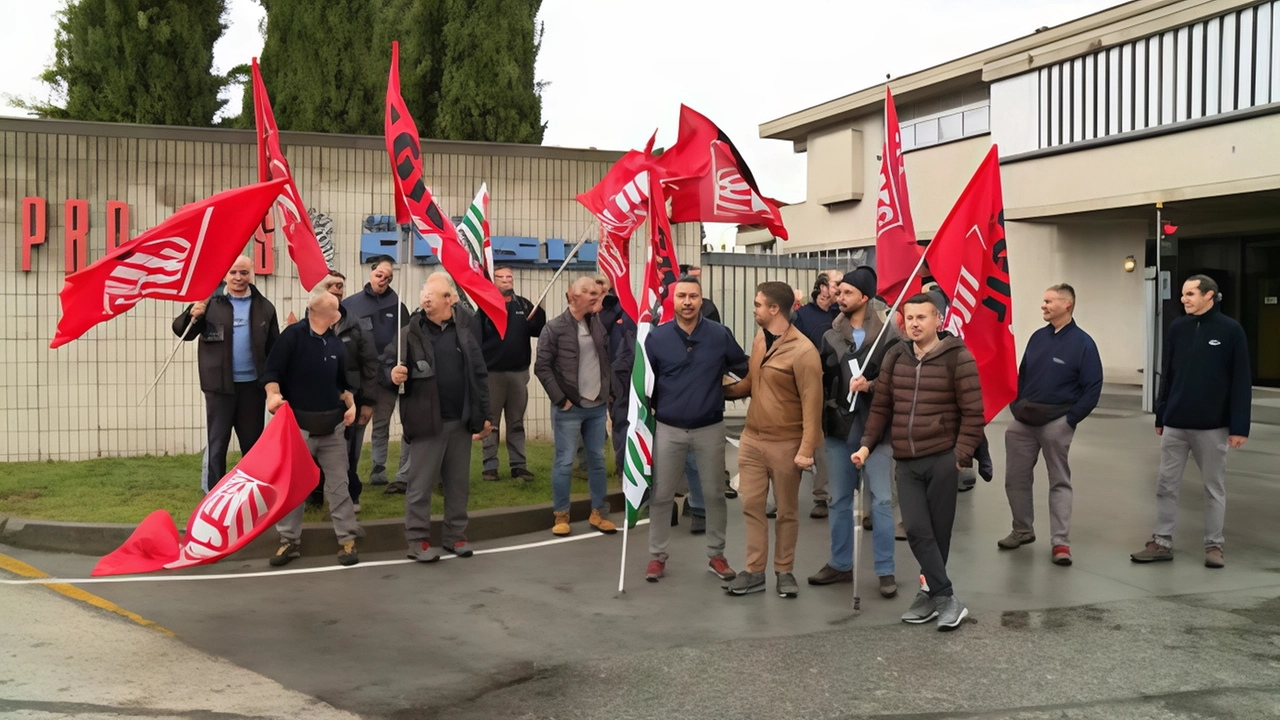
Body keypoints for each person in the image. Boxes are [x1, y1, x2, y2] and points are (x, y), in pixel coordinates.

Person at [853, 293, 984, 630]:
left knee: (938, 536)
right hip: (907, 461)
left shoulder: (959, 357)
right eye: (908, 318)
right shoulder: (895, 355)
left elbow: (973, 414)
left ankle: (928, 594)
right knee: (915, 529)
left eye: (921, 317)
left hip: (943, 458)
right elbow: (881, 407)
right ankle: (947, 598)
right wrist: (866, 446)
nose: (913, 323)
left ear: (938, 320)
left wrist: (960, 457)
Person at [1131, 274, 1251, 569]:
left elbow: (1241, 381)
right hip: (1175, 424)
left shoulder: (1231, 331)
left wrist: (1239, 427)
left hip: (1212, 426)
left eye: (1190, 294)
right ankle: (1161, 541)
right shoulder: (1177, 328)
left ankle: (1214, 546)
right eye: (1183, 294)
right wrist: (1162, 414)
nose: (1184, 299)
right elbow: (1168, 373)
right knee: (1165, 485)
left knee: (1213, 487)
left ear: (1210, 296)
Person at [644, 275, 750, 583]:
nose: (687, 302)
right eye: (682, 296)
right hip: (668, 428)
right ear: (673, 301)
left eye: (693, 296)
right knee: (662, 494)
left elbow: (744, 370)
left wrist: (731, 392)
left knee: (715, 494)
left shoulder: (719, 335)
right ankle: (657, 557)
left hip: (709, 427)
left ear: (701, 300)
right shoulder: (657, 338)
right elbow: (644, 382)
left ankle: (716, 554)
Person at [722, 281, 823, 598]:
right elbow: (752, 383)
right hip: (751, 439)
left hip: (786, 444)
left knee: (786, 512)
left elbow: (812, 404)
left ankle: (784, 571)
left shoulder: (804, 351)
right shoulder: (759, 341)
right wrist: (719, 388)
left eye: (757, 304)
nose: (754, 309)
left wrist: (806, 450)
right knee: (751, 505)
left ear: (774, 309)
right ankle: (754, 572)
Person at [388, 273, 493, 562]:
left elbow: (479, 376)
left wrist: (484, 416)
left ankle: (455, 537)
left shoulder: (464, 331)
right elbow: (386, 365)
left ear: (450, 299)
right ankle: (418, 541)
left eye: (432, 295)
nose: (425, 298)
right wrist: (391, 374)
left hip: (460, 423)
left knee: (458, 485)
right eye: (424, 294)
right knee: (420, 486)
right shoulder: (409, 333)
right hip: (426, 423)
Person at [998, 284, 1103, 566]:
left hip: (1057, 422)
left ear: (1067, 304)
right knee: (1015, 479)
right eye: (1043, 301)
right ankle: (1022, 530)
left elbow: (1093, 387)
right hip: (1023, 422)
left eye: (1048, 301)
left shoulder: (1083, 344)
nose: (1043, 305)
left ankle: (1061, 544)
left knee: (1059, 482)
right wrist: (1016, 406)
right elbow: (1022, 375)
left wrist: (1069, 421)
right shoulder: (1037, 338)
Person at [809, 267, 899, 598]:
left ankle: (886, 570)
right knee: (839, 499)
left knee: (882, 501)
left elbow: (898, 382)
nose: (839, 297)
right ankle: (840, 563)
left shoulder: (891, 337)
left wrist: (872, 385)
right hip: (839, 429)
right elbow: (821, 381)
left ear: (864, 297)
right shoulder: (830, 335)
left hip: (877, 430)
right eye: (838, 291)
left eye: (846, 292)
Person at [265, 292, 360, 567]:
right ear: (327, 315)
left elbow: (344, 386)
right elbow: (272, 373)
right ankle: (289, 541)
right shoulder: (291, 337)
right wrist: (273, 395)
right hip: (298, 428)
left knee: (339, 485)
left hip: (332, 428)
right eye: (337, 311)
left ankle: (347, 540)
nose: (340, 315)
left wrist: (351, 403)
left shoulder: (336, 344)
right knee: (294, 487)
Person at [173, 256, 279, 492]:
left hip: (252, 387)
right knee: (217, 444)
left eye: (243, 273)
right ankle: (213, 494)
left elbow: (274, 349)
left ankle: (252, 493)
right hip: (218, 388)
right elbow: (183, 332)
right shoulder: (210, 303)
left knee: (252, 445)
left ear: (251, 274)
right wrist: (191, 313)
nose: (238, 278)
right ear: (225, 275)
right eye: (233, 273)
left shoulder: (265, 307)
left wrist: (273, 384)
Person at [534, 277, 618, 536]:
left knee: (597, 460)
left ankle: (598, 513)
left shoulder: (598, 325)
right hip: (568, 408)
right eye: (588, 292)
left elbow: (605, 361)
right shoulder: (554, 328)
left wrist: (607, 394)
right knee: (564, 461)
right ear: (572, 296)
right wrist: (561, 399)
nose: (595, 296)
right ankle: (561, 515)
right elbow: (542, 367)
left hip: (596, 406)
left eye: (597, 292)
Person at [296, 274, 379, 513]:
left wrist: (368, 402)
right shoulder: (305, 326)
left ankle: (351, 496)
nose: (337, 291)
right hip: (315, 402)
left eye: (341, 286)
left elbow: (370, 365)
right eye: (331, 286)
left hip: (350, 401)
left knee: (348, 452)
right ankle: (315, 495)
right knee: (314, 449)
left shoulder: (356, 325)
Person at [341, 256, 410, 491]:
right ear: (370, 273)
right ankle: (349, 472)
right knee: (357, 425)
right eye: (379, 275)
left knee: (382, 422)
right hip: (360, 377)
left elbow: (402, 339)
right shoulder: (351, 304)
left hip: (388, 375)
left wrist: (386, 366)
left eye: (388, 278)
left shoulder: (398, 305)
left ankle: (379, 468)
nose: (383, 281)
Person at [473, 265, 545, 483]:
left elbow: (538, 329)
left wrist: (540, 310)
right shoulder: (484, 306)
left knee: (516, 422)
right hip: (492, 374)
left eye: (509, 277)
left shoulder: (523, 305)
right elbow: (476, 339)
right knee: (491, 423)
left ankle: (519, 466)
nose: (506, 280)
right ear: (492, 280)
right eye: (501, 277)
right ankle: (490, 467)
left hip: (518, 374)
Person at [791, 270, 843, 519]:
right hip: (805, 386)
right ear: (823, 287)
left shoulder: (841, 315)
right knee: (797, 438)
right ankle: (782, 497)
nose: (841, 289)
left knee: (824, 441)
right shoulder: (801, 316)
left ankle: (822, 496)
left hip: (836, 388)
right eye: (837, 284)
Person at [596, 274, 637, 479]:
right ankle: (591, 466)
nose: (600, 289)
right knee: (591, 424)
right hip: (592, 376)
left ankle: (624, 469)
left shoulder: (622, 310)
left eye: (603, 284)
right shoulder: (584, 312)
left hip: (617, 376)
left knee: (621, 421)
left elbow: (627, 348)